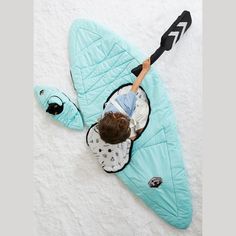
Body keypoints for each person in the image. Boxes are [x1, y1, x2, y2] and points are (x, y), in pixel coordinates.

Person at [97, 58, 151, 144]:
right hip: (120, 116)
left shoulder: (128, 105)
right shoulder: (105, 118)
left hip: (131, 107)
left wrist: (144, 69)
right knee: (124, 134)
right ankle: (132, 132)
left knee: (144, 108)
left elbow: (135, 87)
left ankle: (139, 127)